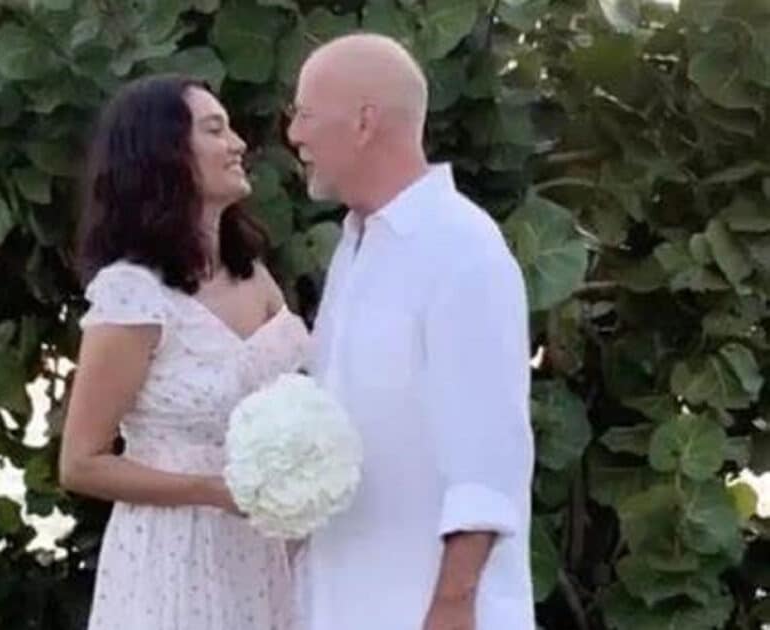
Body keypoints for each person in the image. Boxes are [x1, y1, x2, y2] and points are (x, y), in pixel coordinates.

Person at [287, 34, 535, 629]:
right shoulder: (354, 247)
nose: (294, 135)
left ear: (364, 122)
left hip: (428, 608)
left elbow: (488, 450)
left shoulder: (462, 247)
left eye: (305, 114)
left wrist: (452, 604)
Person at [59, 75, 309, 630]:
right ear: (165, 153)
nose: (238, 144)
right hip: (174, 557)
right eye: (215, 130)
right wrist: (212, 492)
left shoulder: (255, 277)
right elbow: (81, 463)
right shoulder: (133, 294)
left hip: (267, 553)